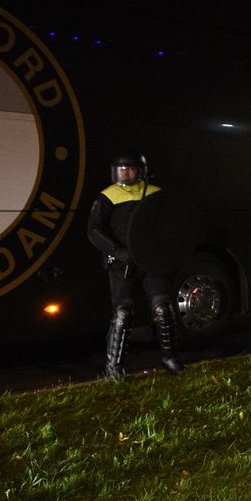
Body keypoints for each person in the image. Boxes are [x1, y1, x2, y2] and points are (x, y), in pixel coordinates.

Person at [86, 150, 184, 379]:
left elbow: (169, 226)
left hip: (151, 261)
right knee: (123, 313)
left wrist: (162, 251)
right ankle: (114, 368)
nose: (125, 173)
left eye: (130, 168)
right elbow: (94, 230)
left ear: (141, 170)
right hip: (122, 263)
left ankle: (171, 359)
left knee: (163, 308)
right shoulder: (107, 196)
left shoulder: (155, 193)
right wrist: (118, 252)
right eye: (121, 169)